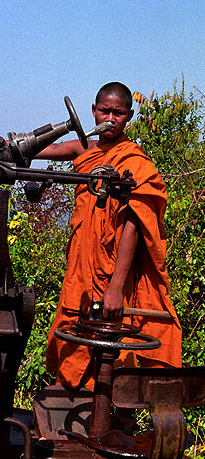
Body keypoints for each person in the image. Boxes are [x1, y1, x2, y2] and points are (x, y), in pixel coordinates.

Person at [35, 82, 182, 390]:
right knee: (74, 338)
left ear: (128, 115)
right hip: (81, 269)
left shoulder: (133, 162)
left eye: (118, 113)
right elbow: (32, 147)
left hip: (112, 271)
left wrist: (116, 287)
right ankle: (77, 420)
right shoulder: (84, 149)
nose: (110, 118)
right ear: (93, 110)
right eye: (105, 110)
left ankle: (117, 423)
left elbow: (134, 225)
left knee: (115, 343)